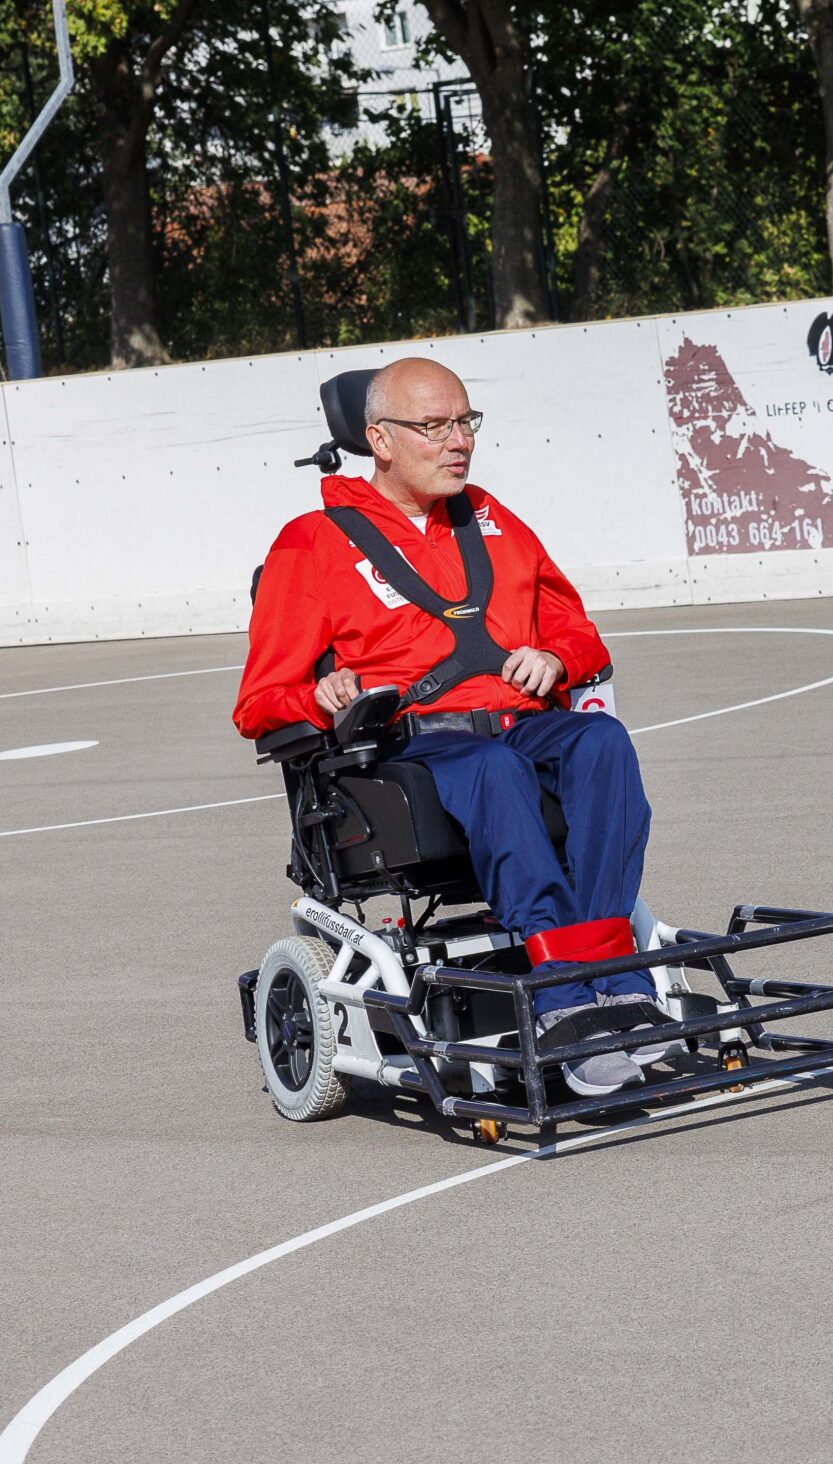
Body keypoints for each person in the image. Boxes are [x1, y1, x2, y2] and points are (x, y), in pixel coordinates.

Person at [234, 357, 664, 1098]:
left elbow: (582, 635)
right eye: (433, 426)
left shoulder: (495, 522)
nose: (457, 440)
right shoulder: (313, 542)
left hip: (518, 723)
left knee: (601, 742)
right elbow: (259, 701)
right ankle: (564, 1001)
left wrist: (555, 657)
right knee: (491, 770)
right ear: (381, 439)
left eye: (465, 421)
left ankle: (614, 981)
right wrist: (320, 696)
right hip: (412, 747)